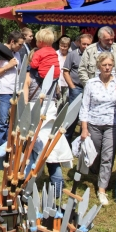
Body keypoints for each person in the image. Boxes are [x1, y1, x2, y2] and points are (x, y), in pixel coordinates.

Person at [80, 52, 116, 206]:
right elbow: (85, 106)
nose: (107, 68)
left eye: (110, 65)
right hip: (94, 123)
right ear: (99, 66)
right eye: (104, 65)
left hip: (113, 123)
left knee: (108, 156)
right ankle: (95, 171)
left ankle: (102, 188)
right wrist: (84, 128)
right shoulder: (91, 83)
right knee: (95, 154)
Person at [23, 67, 73, 195]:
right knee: (51, 154)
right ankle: (55, 188)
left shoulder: (28, 77)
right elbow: (57, 95)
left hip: (38, 113)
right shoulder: (53, 77)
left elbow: (24, 100)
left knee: (33, 153)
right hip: (49, 113)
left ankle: (25, 186)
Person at [0, 30, 24, 146]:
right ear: (12, 41)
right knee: (2, 122)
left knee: (12, 122)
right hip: (3, 91)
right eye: (20, 44)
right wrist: (8, 66)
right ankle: (0, 147)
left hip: (14, 91)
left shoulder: (17, 54)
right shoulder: (0, 53)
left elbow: (18, 73)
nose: (21, 47)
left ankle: (8, 145)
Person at [62, 33, 93, 142]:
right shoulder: (72, 55)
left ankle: (82, 141)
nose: (85, 46)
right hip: (77, 88)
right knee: (73, 115)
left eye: (88, 44)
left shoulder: (94, 55)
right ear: (79, 43)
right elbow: (66, 71)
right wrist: (73, 87)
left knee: (86, 116)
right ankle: (66, 140)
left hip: (90, 89)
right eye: (83, 44)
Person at [56, 36, 71, 106]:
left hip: (67, 82)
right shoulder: (55, 54)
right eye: (61, 46)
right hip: (58, 82)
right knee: (58, 103)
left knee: (66, 102)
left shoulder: (71, 55)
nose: (62, 48)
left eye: (65, 46)